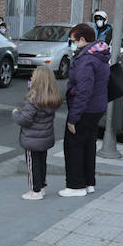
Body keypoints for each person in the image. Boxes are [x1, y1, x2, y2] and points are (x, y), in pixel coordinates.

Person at [60, 22, 111, 197]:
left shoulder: (86, 60)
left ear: (82, 39)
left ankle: (75, 186)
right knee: (88, 145)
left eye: (73, 41)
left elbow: (84, 91)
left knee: (73, 145)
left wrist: (73, 118)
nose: (72, 44)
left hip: (85, 109)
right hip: (97, 108)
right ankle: (89, 183)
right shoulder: (100, 54)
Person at [13, 66, 61, 200]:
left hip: (32, 139)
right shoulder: (51, 98)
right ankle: (42, 186)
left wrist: (16, 114)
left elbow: (25, 120)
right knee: (41, 162)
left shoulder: (33, 99)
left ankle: (35, 191)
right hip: (45, 138)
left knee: (32, 165)